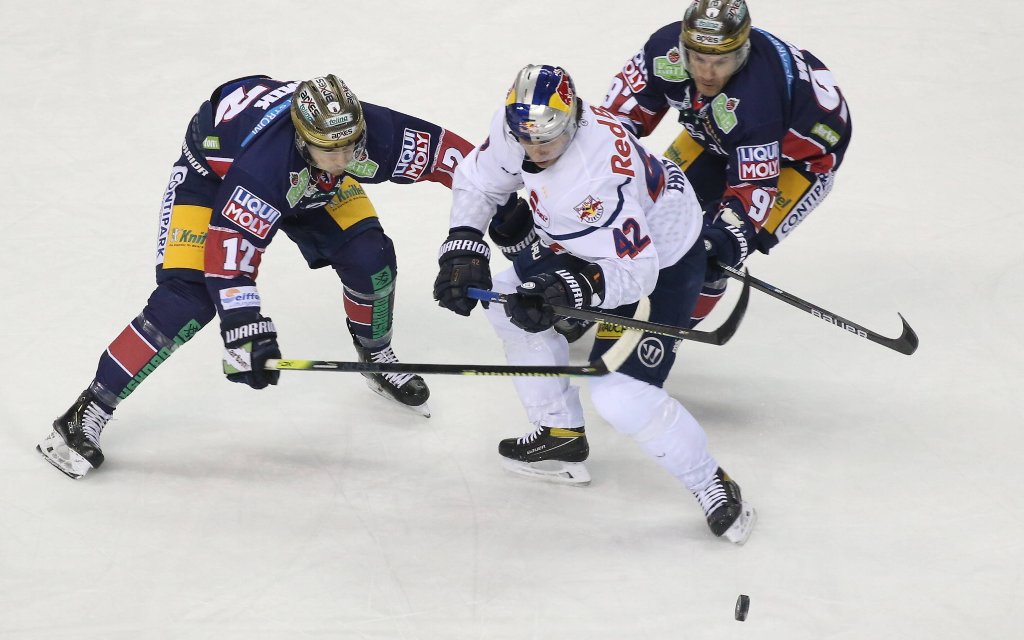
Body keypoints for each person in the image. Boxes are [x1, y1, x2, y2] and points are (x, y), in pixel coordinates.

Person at [37, 74, 488, 479]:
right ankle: (87, 409)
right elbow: (230, 258)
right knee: (187, 299)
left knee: (373, 261)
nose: (345, 158)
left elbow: (470, 166)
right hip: (212, 180)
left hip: (306, 184)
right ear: (302, 137)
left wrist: (509, 226)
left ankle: (375, 355)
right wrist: (243, 326)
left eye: (351, 145)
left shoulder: (361, 136)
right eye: (331, 149)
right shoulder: (264, 169)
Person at [432, 64, 756, 543]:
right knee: (506, 306)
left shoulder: (593, 178)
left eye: (549, 139)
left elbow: (637, 271)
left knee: (620, 394)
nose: (536, 151)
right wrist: (463, 242)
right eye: (526, 138)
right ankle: (560, 436)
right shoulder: (523, 126)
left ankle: (711, 482)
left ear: (573, 119)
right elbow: (479, 180)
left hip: (661, 260)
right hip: (586, 243)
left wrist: (568, 289)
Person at [602, 0, 852, 325]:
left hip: (798, 163)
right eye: (698, 58)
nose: (707, 73)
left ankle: (670, 326)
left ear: (743, 51)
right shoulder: (663, 52)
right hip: (714, 133)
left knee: (709, 253)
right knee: (640, 211)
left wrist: (723, 238)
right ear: (682, 46)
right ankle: (596, 296)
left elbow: (751, 195)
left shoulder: (756, 103)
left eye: (721, 62)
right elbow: (615, 123)